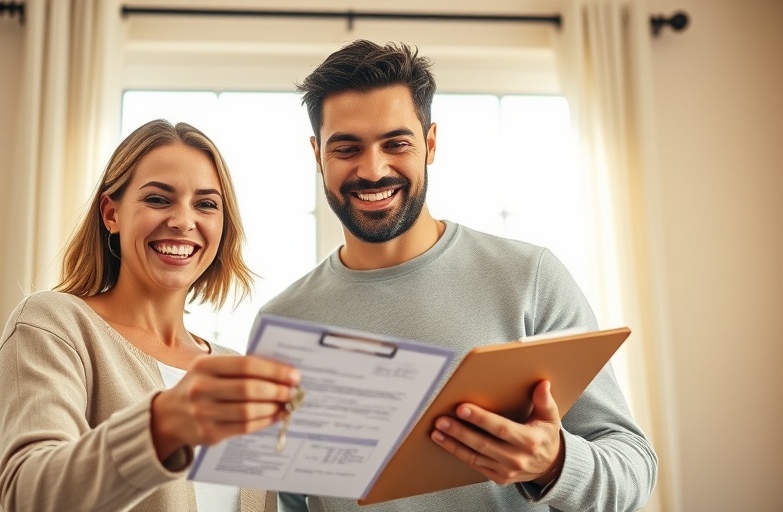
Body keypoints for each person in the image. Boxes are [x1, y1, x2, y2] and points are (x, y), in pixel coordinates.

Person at [262, 40, 658, 511]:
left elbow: (634, 470)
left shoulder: (527, 277)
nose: (373, 169)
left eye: (396, 143)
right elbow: (284, 502)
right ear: (317, 154)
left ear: (430, 144)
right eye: (347, 148)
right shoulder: (283, 322)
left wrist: (553, 463)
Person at [0, 120, 300, 512]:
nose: (183, 221)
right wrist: (164, 425)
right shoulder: (54, 324)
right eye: (158, 199)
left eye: (206, 204)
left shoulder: (236, 369)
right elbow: (30, 496)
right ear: (111, 213)